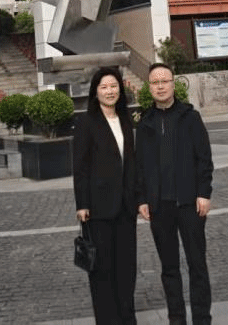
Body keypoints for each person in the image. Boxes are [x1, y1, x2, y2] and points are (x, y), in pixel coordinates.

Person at [136, 63, 213, 325]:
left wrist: (204, 192)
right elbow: (140, 165)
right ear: (149, 87)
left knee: (197, 264)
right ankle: (176, 318)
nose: (160, 86)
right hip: (160, 206)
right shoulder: (145, 122)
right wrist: (142, 199)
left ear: (173, 84)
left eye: (164, 81)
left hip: (190, 203)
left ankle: (202, 318)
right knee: (169, 268)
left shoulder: (190, 117)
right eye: (155, 82)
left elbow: (204, 158)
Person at [73, 67, 138, 325]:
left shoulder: (126, 119)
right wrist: (82, 204)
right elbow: (80, 166)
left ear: (120, 89)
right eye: (104, 87)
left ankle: (127, 318)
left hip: (126, 207)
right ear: (96, 92)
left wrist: (138, 198)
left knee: (126, 267)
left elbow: (131, 163)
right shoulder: (86, 122)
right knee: (102, 269)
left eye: (113, 86)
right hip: (98, 208)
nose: (110, 91)